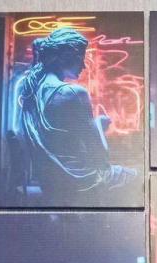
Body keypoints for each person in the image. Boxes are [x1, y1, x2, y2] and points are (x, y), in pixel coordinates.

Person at [17, 27, 136, 202]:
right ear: (65, 57)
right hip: (81, 182)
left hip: (49, 184)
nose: (84, 65)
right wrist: (99, 125)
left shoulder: (31, 92)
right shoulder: (73, 93)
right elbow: (100, 157)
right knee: (139, 178)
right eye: (81, 58)